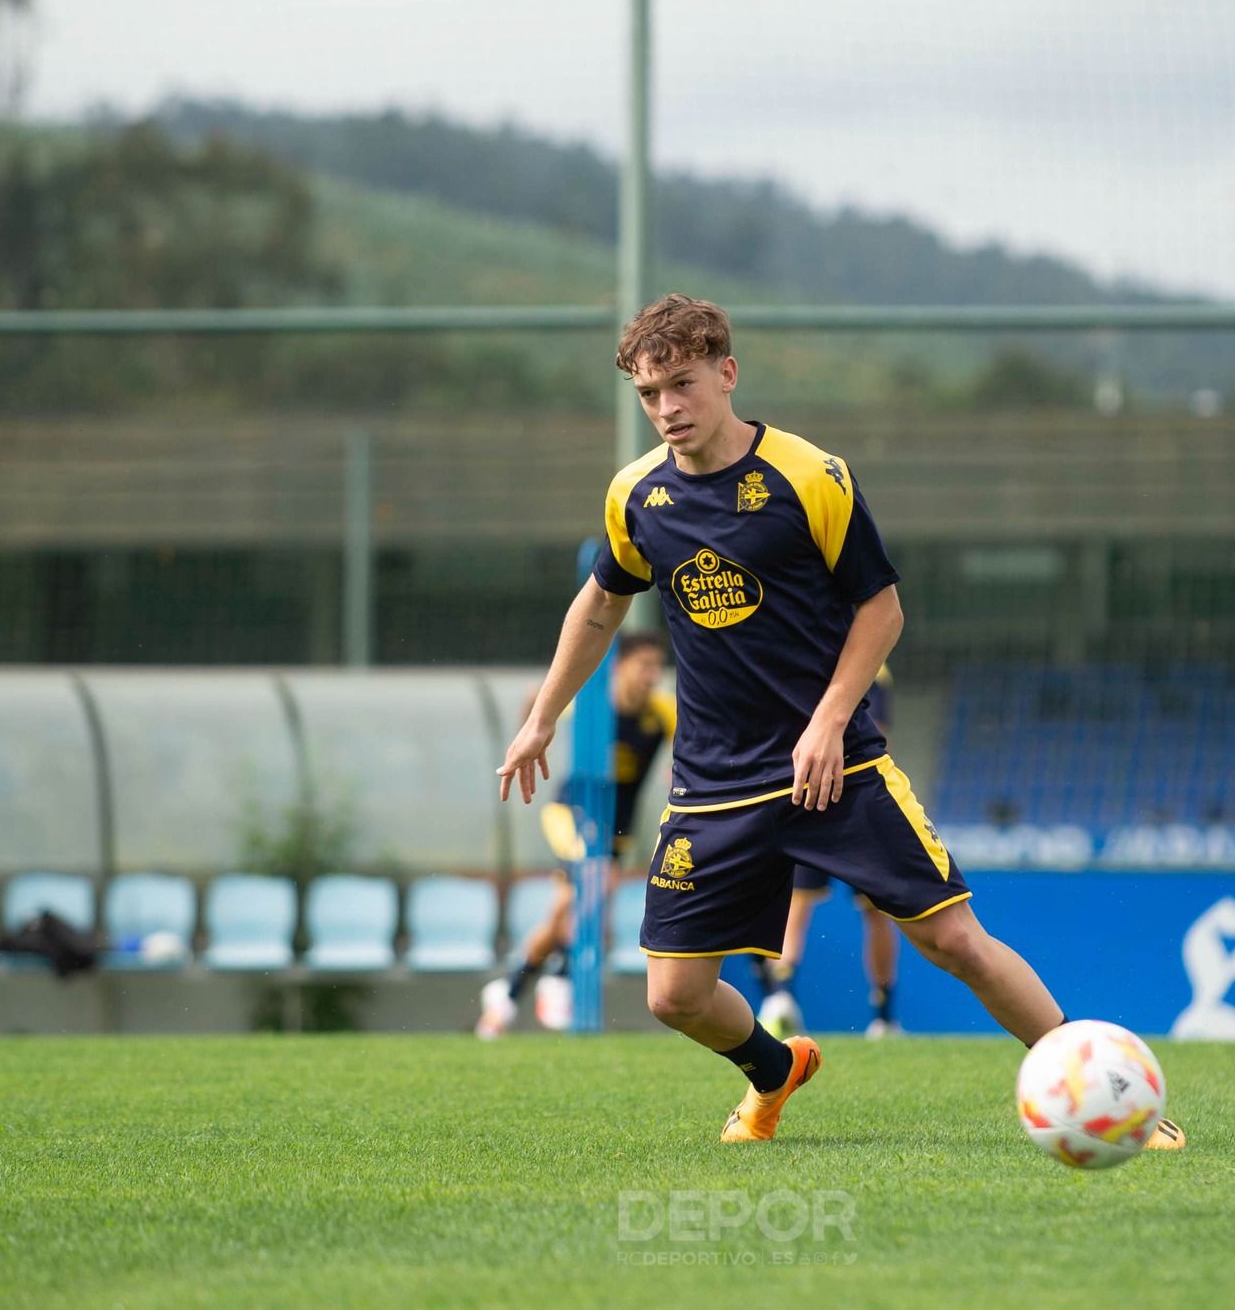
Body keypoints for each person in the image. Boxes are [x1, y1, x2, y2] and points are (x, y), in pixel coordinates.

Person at [497, 294, 1183, 1151]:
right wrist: (544, 717)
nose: (667, 407)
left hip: (838, 768)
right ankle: (773, 1069)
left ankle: (1118, 1100)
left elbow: (882, 610)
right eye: (649, 393)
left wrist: (827, 720)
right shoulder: (636, 495)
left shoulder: (810, 475)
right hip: (713, 783)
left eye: (682, 384)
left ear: (726, 373)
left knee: (955, 939)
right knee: (674, 996)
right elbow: (600, 605)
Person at [477, 631, 674, 1039]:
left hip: (618, 826)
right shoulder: (591, 703)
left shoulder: (660, 712)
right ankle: (560, 976)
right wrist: (530, 735)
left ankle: (509, 992)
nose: (651, 675)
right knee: (594, 883)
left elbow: (692, 738)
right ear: (619, 666)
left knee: (572, 904)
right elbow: (538, 696)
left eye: (657, 667)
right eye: (644, 666)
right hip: (572, 814)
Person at [755, 661, 902, 1040]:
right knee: (802, 905)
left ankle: (878, 1016)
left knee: (867, 909)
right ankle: (785, 1000)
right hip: (821, 794)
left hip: (835, 794)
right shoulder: (818, 655)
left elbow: (875, 731)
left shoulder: (867, 666)